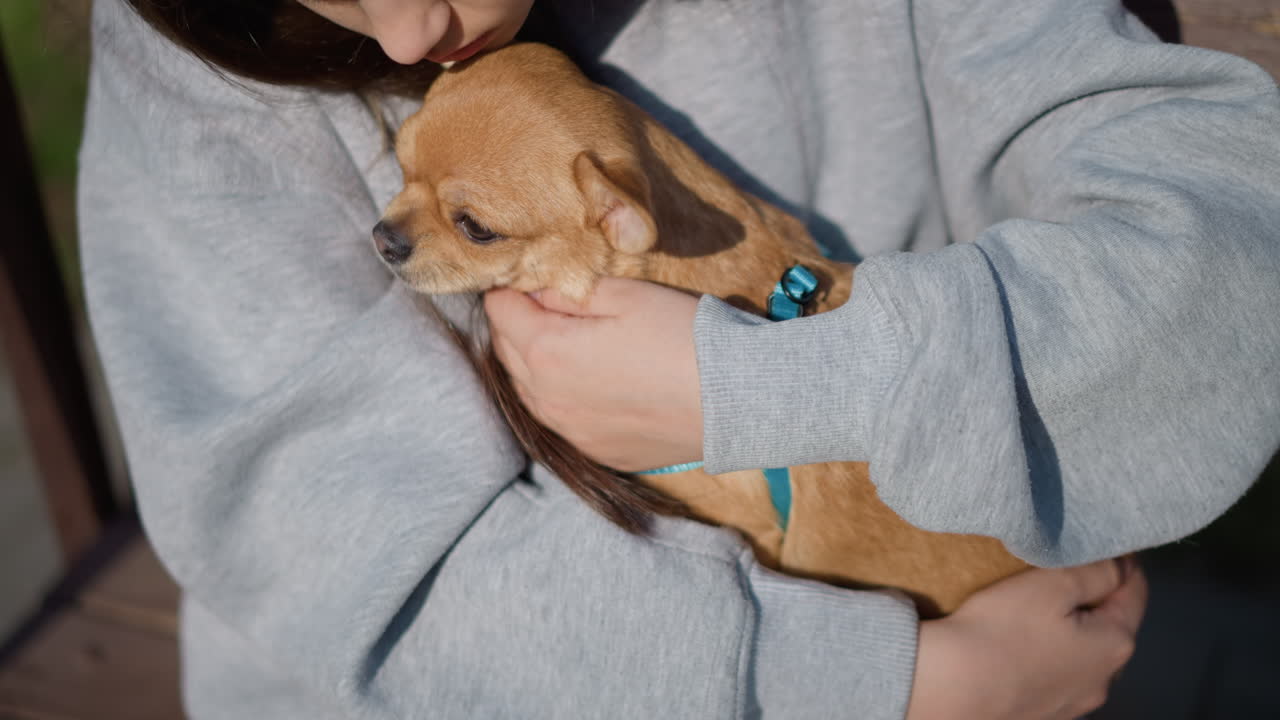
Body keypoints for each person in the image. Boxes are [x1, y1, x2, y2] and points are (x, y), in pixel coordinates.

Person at [77, 0, 1277, 717]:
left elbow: (1233, 247)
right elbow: (325, 552)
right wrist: (878, 691)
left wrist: (761, 386)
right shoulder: (190, 55)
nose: (402, 35)